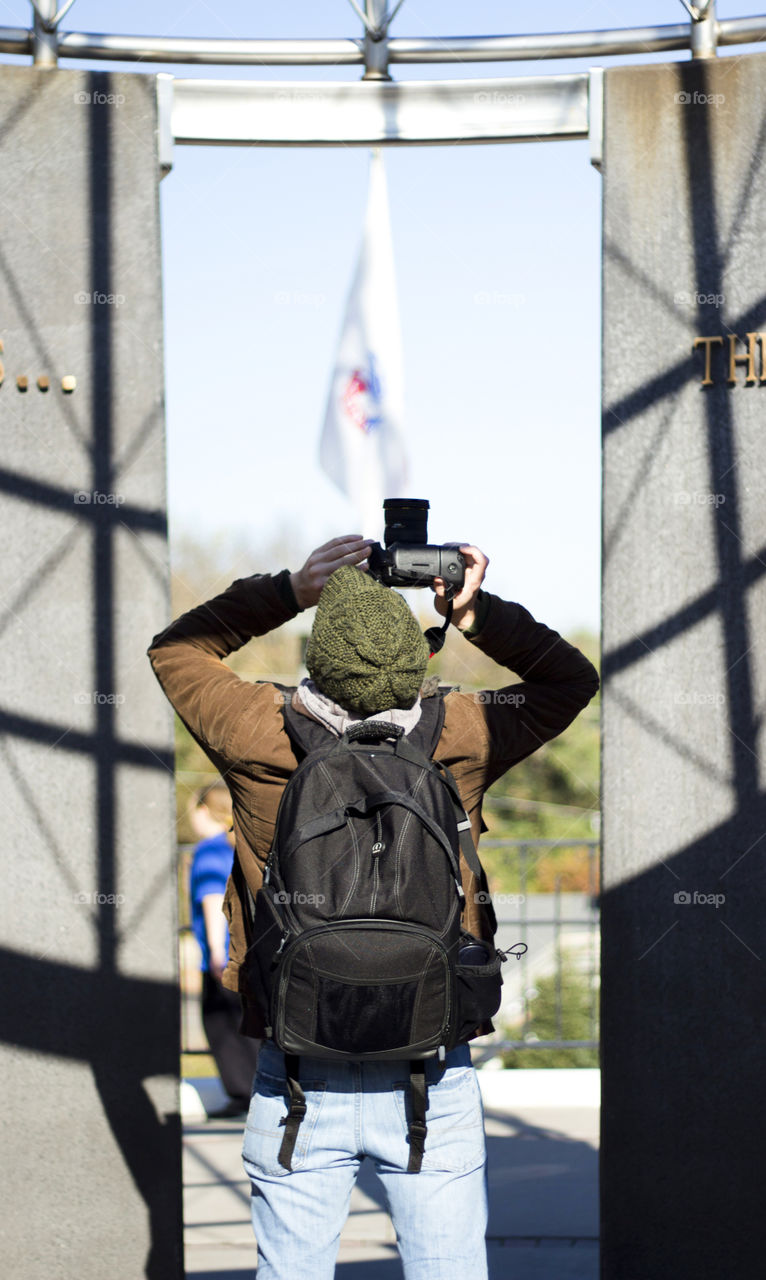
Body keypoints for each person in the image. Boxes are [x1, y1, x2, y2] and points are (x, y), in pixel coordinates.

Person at [148, 533, 599, 1279]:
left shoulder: (257, 728)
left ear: (317, 661)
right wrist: (475, 611)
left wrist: (289, 590)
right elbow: (567, 680)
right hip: (432, 1065)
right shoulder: (461, 732)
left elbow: (177, 651)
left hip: (295, 1066)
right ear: (415, 661)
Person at [188, 780, 261, 1118]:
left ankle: (241, 1095)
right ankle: (259, 1094)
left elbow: (214, 898)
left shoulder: (209, 850)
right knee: (252, 1026)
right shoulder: (244, 843)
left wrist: (218, 954)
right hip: (254, 953)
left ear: (205, 810)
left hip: (225, 956)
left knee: (222, 1026)